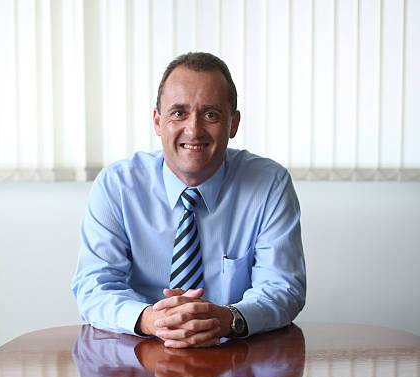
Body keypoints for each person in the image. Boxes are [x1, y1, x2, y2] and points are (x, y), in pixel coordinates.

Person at [72, 52, 306, 348]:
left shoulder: (269, 184)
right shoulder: (117, 186)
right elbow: (94, 287)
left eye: (210, 115)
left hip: (235, 359)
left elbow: (283, 287)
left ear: (233, 124)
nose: (193, 130)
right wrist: (152, 319)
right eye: (178, 113)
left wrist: (227, 318)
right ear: (158, 121)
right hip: (139, 357)